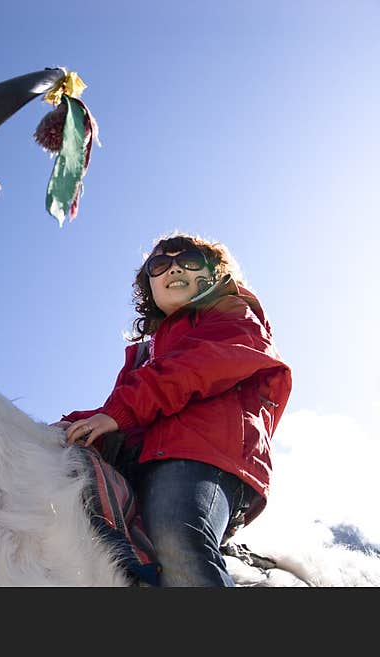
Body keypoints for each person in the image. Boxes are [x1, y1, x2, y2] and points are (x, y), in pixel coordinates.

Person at [56, 233, 292, 586]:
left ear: (214, 274)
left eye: (191, 260)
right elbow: (119, 418)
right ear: (149, 284)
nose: (175, 267)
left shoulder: (232, 313)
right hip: (151, 462)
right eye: (160, 264)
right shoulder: (146, 356)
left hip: (207, 458)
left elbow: (197, 367)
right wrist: (62, 429)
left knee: (177, 533)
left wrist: (118, 412)